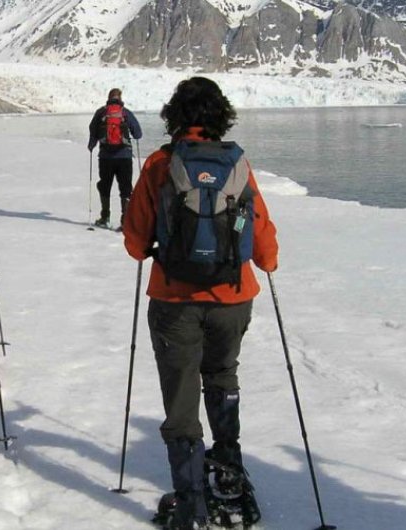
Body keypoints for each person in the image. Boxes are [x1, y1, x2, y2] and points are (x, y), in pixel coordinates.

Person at [122, 77, 278, 529]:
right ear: (219, 116)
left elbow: (135, 242)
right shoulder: (236, 162)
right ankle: (228, 475)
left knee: (181, 396)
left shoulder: (159, 164)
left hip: (173, 299)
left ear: (176, 115)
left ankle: (191, 504)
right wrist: (266, 261)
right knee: (222, 375)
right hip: (233, 297)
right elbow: (262, 231)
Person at [87, 88, 143, 228]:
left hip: (105, 157)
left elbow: (92, 130)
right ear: (120, 98)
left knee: (105, 185)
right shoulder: (125, 113)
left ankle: (105, 217)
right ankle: (125, 221)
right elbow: (138, 134)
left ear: (108, 97)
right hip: (124, 156)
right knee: (125, 187)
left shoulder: (101, 112)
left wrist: (92, 145)